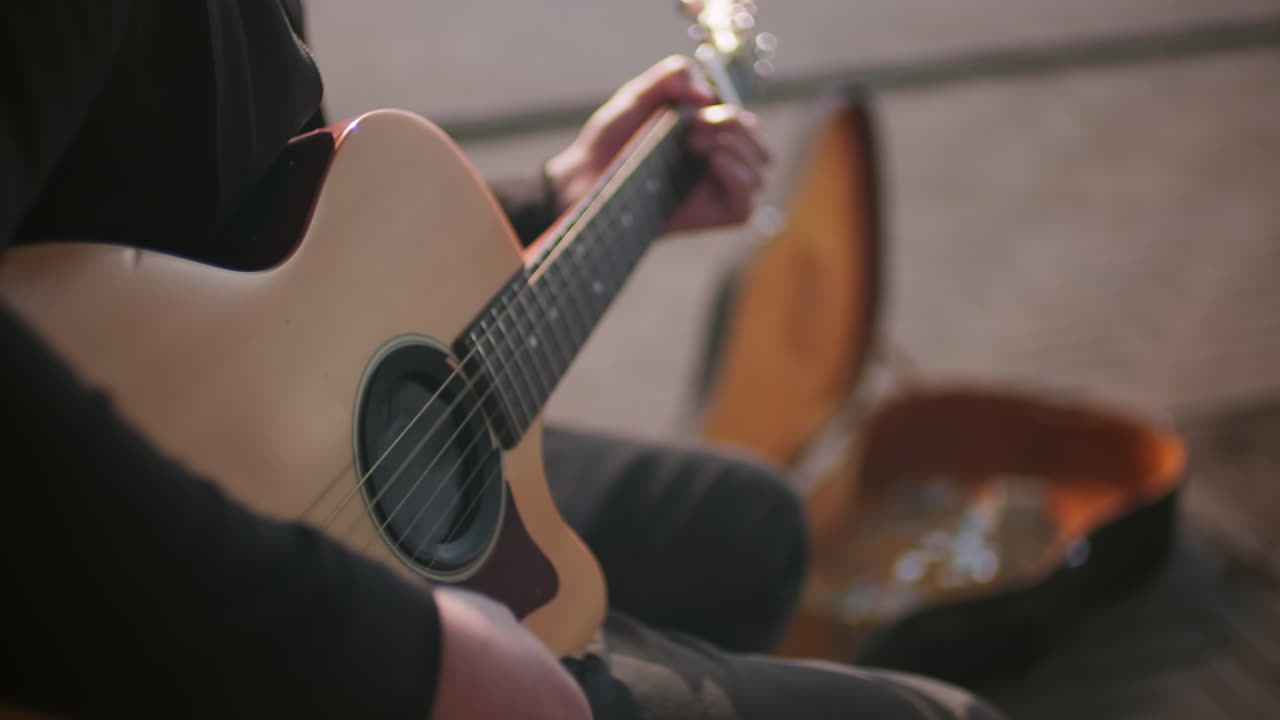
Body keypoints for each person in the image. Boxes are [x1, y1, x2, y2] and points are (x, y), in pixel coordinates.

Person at [0, 3, 1003, 719]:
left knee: (742, 524)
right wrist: (413, 661)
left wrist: (553, 197)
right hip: (184, 604)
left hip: (292, 439)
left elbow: (248, 215)